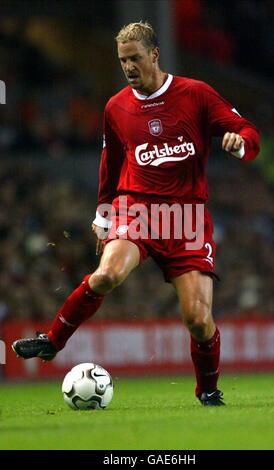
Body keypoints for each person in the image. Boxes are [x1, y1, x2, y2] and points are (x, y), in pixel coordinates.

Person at [12, 21, 260, 406]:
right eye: (122, 60)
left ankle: (208, 390)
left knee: (197, 320)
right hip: (137, 209)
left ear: (155, 54)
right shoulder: (116, 107)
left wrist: (240, 144)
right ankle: (52, 341)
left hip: (187, 219)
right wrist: (105, 213)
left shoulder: (195, 94)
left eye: (135, 58)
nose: (128, 67)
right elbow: (110, 165)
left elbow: (247, 132)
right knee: (107, 274)